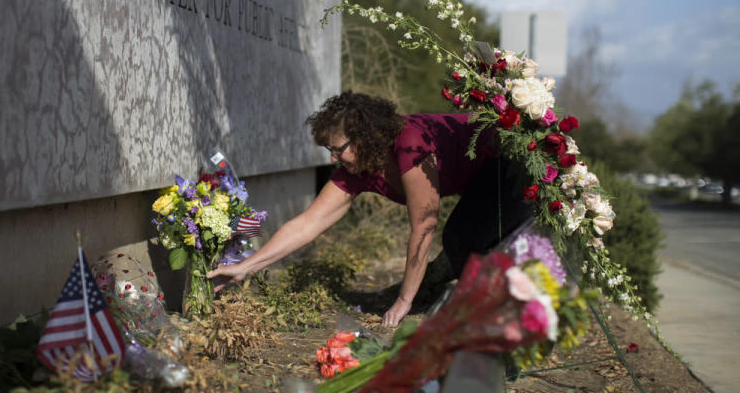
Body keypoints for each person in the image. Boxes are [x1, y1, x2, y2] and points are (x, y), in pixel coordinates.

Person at [207, 90, 532, 327]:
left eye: (337, 149)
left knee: (463, 239)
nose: (332, 159)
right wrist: (245, 267)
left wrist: (403, 301)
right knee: (462, 241)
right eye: (328, 150)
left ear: (365, 137)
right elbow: (308, 223)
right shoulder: (358, 168)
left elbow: (424, 225)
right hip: (479, 181)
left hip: (514, 163)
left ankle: (510, 327)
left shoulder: (410, 144)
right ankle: (457, 295)